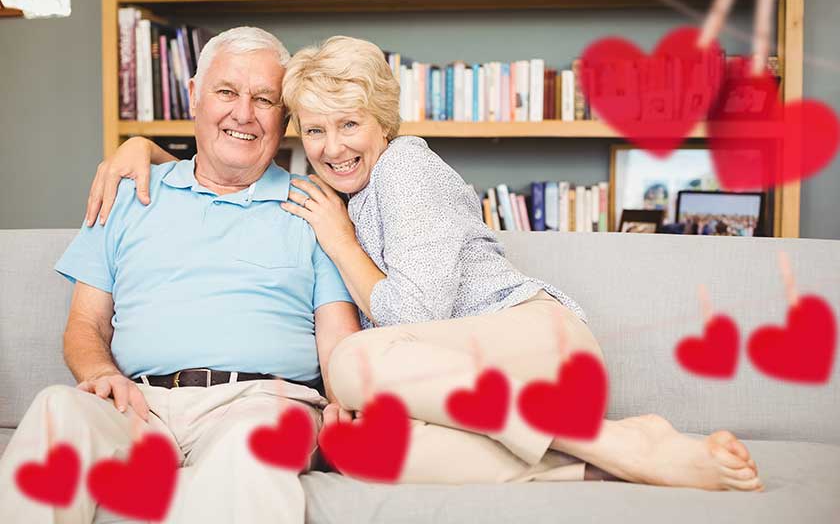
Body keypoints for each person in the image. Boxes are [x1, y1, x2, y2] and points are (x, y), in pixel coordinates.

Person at [86, 35, 763, 492]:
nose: (332, 147)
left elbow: (416, 315)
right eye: (315, 130)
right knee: (356, 451)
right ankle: (598, 455)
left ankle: (615, 439)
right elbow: (217, 169)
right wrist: (145, 146)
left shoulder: (406, 166)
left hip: (535, 343)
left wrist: (342, 244)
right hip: (466, 388)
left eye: (350, 124)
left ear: (382, 123)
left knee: (351, 365)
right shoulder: (337, 193)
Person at [0, 27, 361, 524]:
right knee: (54, 411)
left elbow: (338, 342)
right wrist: (101, 374)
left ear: (286, 116)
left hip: (261, 403)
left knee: (256, 446)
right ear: (193, 95)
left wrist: (344, 405)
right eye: (227, 92)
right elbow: (86, 324)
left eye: (264, 99)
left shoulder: (316, 207)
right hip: (138, 405)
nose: (244, 113)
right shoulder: (126, 193)